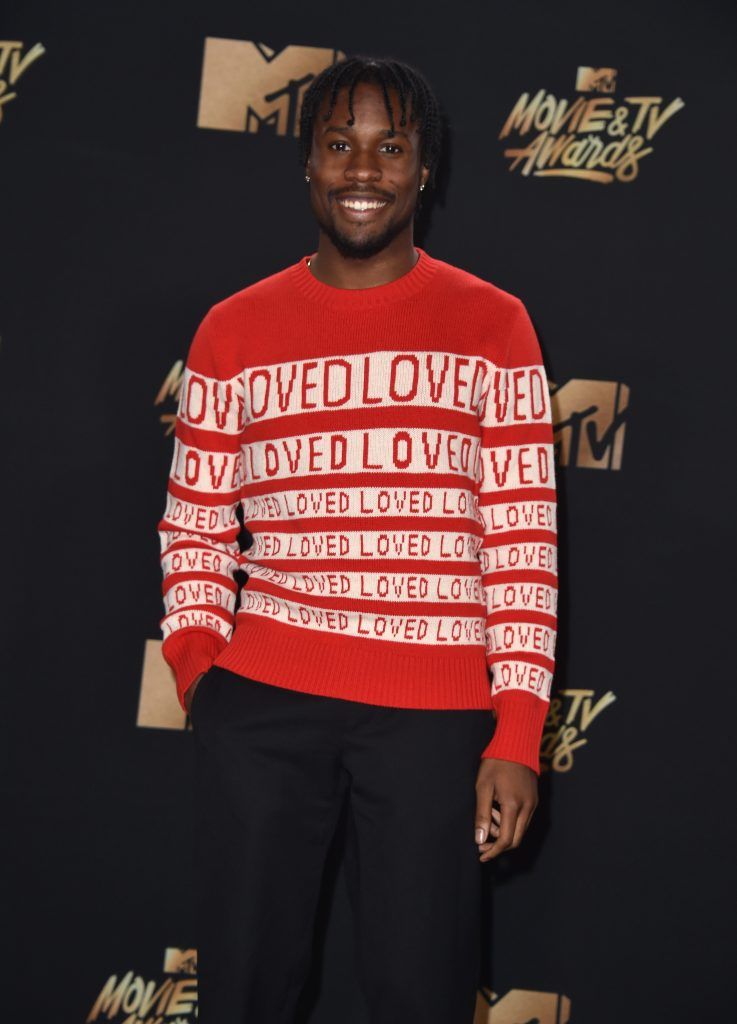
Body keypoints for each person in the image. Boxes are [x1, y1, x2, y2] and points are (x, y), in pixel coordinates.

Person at [157, 54, 558, 1024]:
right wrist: (199, 671)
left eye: (390, 147)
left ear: (426, 170)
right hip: (261, 709)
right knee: (244, 992)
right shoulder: (232, 329)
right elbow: (194, 521)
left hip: (431, 722)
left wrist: (515, 734)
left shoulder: (492, 326)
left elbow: (521, 544)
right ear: (306, 163)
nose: (362, 170)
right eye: (339, 145)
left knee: (420, 996)